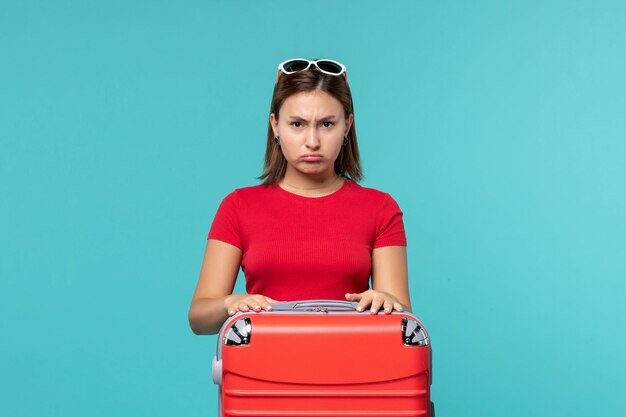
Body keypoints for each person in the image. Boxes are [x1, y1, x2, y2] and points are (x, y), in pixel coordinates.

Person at [188, 58, 412, 335]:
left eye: (327, 124)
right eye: (297, 124)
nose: (313, 141)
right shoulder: (237, 207)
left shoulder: (380, 208)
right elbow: (199, 318)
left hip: (355, 369)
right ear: (275, 125)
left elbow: (402, 320)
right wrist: (230, 304)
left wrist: (386, 303)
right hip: (260, 370)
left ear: (347, 126)